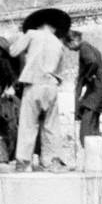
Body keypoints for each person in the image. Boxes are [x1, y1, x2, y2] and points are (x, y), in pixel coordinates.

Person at [9, 21, 65, 172]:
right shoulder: (58, 43)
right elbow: (59, 69)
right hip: (52, 86)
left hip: (34, 83)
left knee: (28, 124)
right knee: (51, 125)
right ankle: (53, 161)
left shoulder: (32, 35)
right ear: (53, 26)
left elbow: (13, 51)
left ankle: (24, 162)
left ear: (40, 24)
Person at [65, 30, 102, 146]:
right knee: (93, 125)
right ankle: (97, 153)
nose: (69, 49)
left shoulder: (84, 48)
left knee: (86, 127)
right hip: (98, 90)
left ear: (74, 41)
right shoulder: (90, 47)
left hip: (94, 91)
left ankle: (89, 151)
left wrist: (87, 77)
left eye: (68, 45)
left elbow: (93, 62)